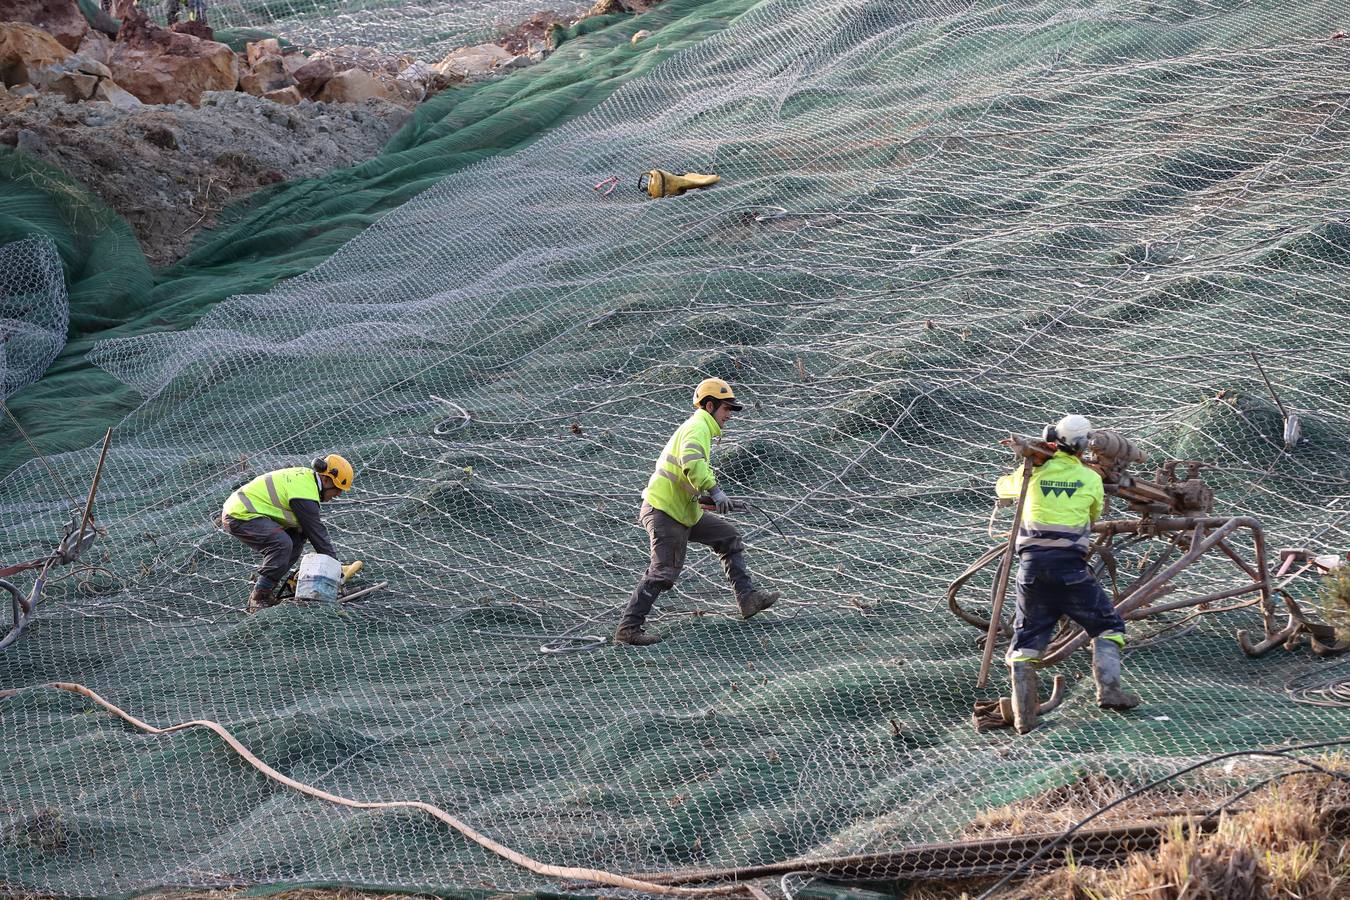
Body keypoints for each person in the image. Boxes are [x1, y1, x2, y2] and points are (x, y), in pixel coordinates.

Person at [996, 414, 1139, 732]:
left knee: (1026, 642)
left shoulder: (1031, 472)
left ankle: (1024, 718)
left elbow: (1003, 489)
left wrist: (1030, 468)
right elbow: (1094, 514)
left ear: (1051, 439)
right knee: (1108, 626)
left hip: (1031, 571)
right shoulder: (1090, 479)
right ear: (1084, 446)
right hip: (1071, 570)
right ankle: (1110, 691)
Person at [615, 378, 781, 646]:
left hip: (683, 512)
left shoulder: (700, 429)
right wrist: (715, 491)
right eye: (727, 409)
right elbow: (691, 463)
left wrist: (708, 498)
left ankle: (747, 599)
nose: (729, 415)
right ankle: (628, 630)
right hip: (664, 512)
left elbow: (685, 477)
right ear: (710, 405)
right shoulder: (698, 427)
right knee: (663, 572)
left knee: (728, 537)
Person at [221, 454, 352, 612]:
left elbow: (307, 531)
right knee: (282, 544)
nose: (337, 495)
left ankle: (268, 588)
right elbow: (318, 535)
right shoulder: (305, 494)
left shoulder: (306, 483)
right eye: (337, 490)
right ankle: (259, 597)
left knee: (296, 540)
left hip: (251, 512)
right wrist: (336, 571)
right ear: (325, 480)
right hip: (240, 514)